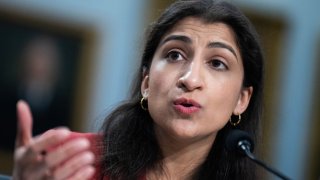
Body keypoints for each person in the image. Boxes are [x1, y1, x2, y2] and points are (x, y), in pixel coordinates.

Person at [12, 0, 264, 179]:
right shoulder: (73, 162)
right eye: (174, 55)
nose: (190, 79)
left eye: (217, 63)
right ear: (146, 82)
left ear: (241, 99)